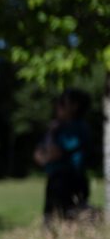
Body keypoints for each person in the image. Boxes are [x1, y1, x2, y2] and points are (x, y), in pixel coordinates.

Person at [34, 87, 92, 222]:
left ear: (74, 106)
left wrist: (46, 156)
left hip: (70, 180)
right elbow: (37, 154)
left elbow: (54, 153)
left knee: (68, 221)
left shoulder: (77, 128)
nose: (58, 107)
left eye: (62, 103)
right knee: (50, 220)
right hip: (55, 180)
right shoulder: (57, 128)